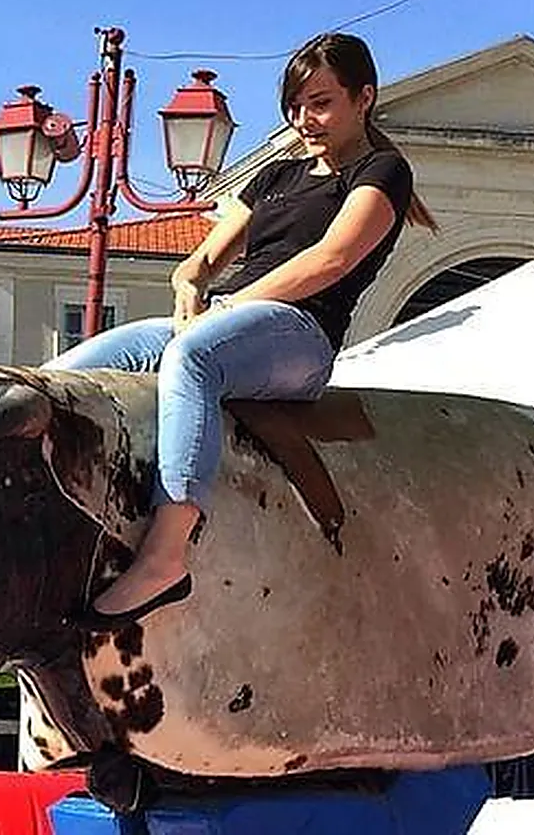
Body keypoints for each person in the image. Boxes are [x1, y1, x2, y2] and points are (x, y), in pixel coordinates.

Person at [46, 33, 429, 627]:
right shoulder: (276, 175)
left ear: (365, 98)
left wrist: (228, 308)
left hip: (301, 334)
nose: (307, 118)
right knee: (64, 377)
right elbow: (199, 262)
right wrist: (191, 290)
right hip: (230, 317)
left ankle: (168, 551)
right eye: (297, 105)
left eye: (322, 102)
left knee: (192, 355)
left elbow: (331, 259)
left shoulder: (383, 171)